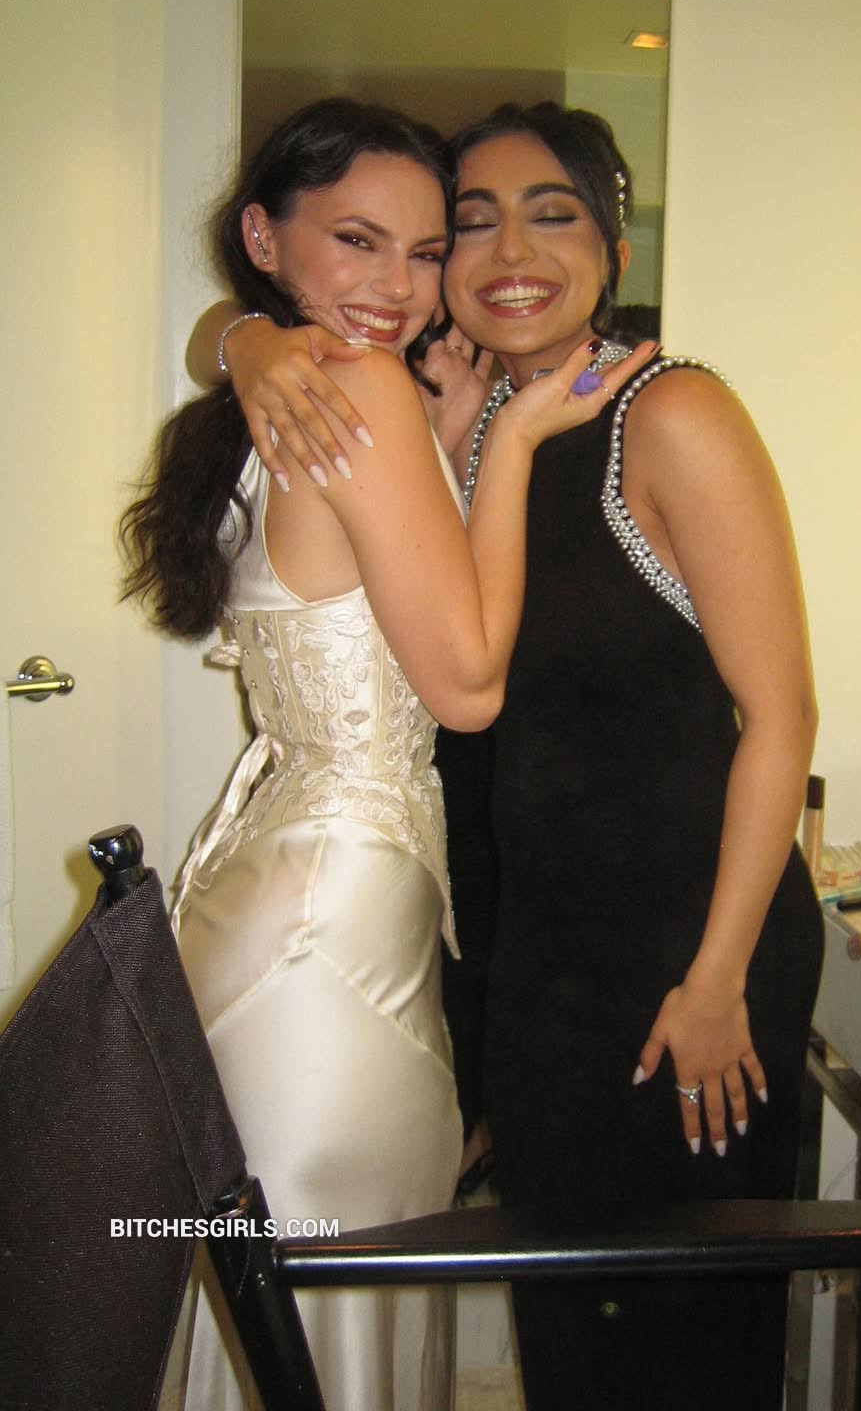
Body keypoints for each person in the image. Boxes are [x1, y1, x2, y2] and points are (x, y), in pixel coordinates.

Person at [190, 100, 823, 1411]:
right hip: (541, 959)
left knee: (688, 1335)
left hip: (691, 946)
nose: (507, 255)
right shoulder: (464, 416)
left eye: (553, 215)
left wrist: (719, 979)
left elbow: (783, 719)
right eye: (469, 228)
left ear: (615, 249)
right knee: (568, 1332)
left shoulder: (673, 413)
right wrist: (244, 338)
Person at [119, 97, 654, 1411]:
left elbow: (370, 582)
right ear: (263, 236)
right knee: (334, 1291)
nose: (399, 290)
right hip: (332, 916)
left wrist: (251, 338)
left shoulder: (283, 384)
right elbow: (465, 687)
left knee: (277, 1287)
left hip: (278, 882)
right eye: (356, 241)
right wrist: (510, 445)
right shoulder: (350, 386)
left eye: (423, 252)